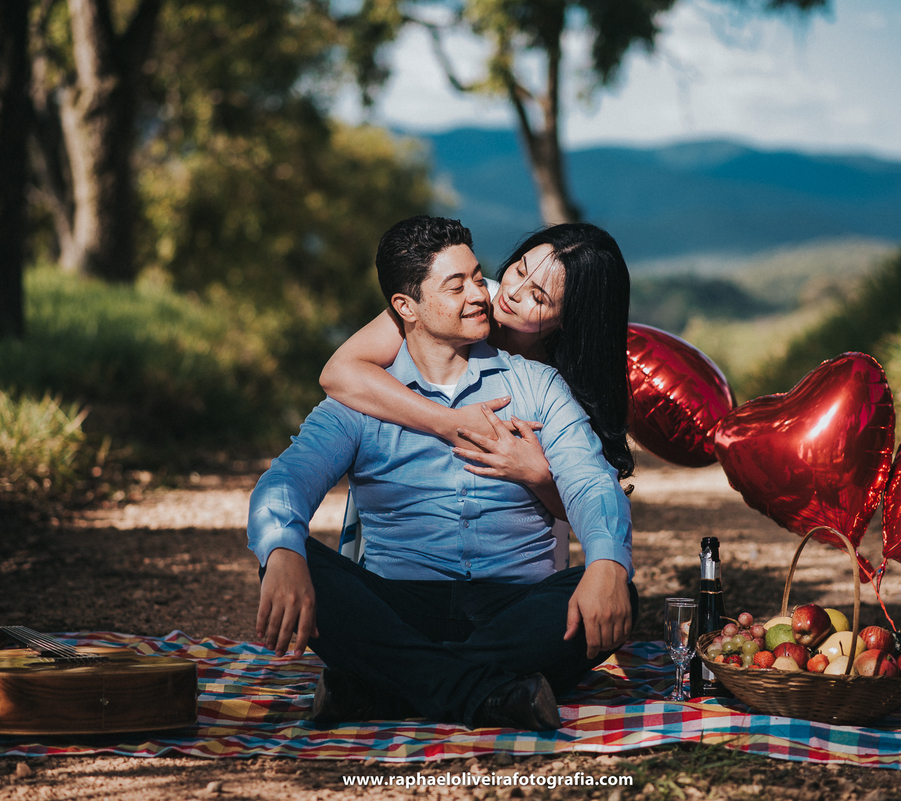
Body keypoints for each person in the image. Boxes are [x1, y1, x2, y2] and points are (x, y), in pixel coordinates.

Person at [247, 216, 635, 732]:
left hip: (512, 606)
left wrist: (606, 561)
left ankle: (382, 686)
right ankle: (491, 693)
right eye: (459, 286)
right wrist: (281, 551)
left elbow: (590, 482)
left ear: (566, 319)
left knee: (613, 585)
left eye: (478, 278)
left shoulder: (541, 385)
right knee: (293, 558)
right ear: (406, 307)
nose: (486, 294)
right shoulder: (365, 397)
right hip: (398, 601)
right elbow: (286, 482)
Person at [319, 221, 635, 522]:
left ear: (569, 317)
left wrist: (538, 477)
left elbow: (590, 508)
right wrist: (449, 423)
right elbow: (338, 373)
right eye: (520, 269)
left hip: (523, 531)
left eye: (537, 297)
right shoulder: (455, 304)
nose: (513, 292)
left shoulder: (568, 378)